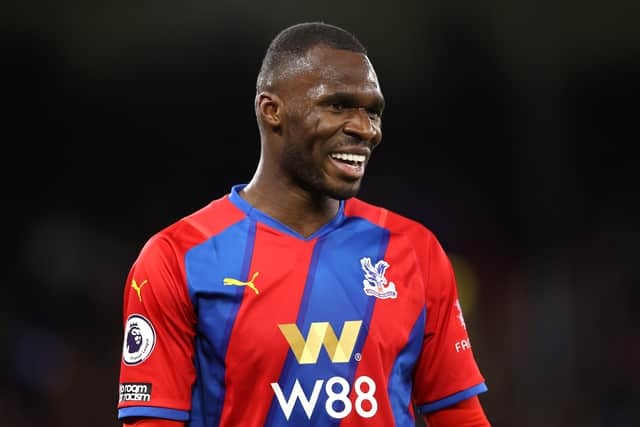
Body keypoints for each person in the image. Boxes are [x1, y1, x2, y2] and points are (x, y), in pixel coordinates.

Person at [117, 21, 491, 427]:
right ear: (272, 110)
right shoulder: (177, 259)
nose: (365, 129)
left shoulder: (414, 252)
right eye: (338, 105)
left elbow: (458, 415)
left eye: (373, 111)